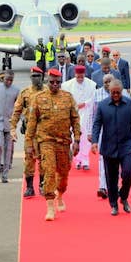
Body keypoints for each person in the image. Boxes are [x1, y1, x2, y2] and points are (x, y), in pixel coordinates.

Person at [25, 68, 80, 221]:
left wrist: (77, 140)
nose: (54, 85)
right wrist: (29, 142)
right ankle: (50, 206)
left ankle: (60, 195)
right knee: (48, 170)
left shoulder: (68, 98)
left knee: (63, 174)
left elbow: (75, 120)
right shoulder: (38, 98)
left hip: (63, 142)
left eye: (57, 82)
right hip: (46, 141)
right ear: (47, 82)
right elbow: (32, 123)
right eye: (51, 82)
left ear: (61, 82)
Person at [92, 79, 131, 216]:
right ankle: (114, 204)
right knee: (111, 178)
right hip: (109, 146)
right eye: (113, 93)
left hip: (127, 145)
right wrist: (95, 141)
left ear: (122, 91)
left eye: (118, 93)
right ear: (109, 92)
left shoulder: (130, 104)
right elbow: (97, 125)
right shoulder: (102, 106)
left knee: (128, 173)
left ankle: (123, 196)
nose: (115, 95)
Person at [87, 74, 130, 199]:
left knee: (118, 161)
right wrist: (91, 133)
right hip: (103, 132)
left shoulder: (123, 95)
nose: (107, 84)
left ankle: (115, 185)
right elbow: (92, 114)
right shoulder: (96, 94)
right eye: (105, 82)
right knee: (102, 160)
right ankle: (103, 186)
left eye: (109, 81)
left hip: (120, 134)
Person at [10, 67, 47, 197]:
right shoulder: (25, 93)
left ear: (42, 77)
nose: (36, 78)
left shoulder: (48, 91)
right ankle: (30, 187)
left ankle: (42, 185)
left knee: (44, 159)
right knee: (29, 159)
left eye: (38, 75)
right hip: (30, 133)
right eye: (33, 76)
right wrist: (13, 127)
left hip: (44, 132)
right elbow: (17, 111)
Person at [62, 65, 96, 170]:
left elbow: (93, 98)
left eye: (82, 77)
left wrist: (84, 104)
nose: (80, 79)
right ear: (75, 75)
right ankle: (78, 160)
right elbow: (65, 98)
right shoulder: (67, 85)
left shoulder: (91, 84)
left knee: (85, 137)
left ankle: (85, 160)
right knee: (74, 136)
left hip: (86, 112)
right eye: (78, 77)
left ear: (84, 75)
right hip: (73, 113)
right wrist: (75, 105)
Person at [0, 70, 19, 182]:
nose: (8, 82)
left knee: (8, 150)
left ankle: (5, 174)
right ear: (3, 78)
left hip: (10, 123)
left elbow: (18, 107)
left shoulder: (16, 90)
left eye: (11, 80)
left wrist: (19, 120)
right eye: (7, 79)